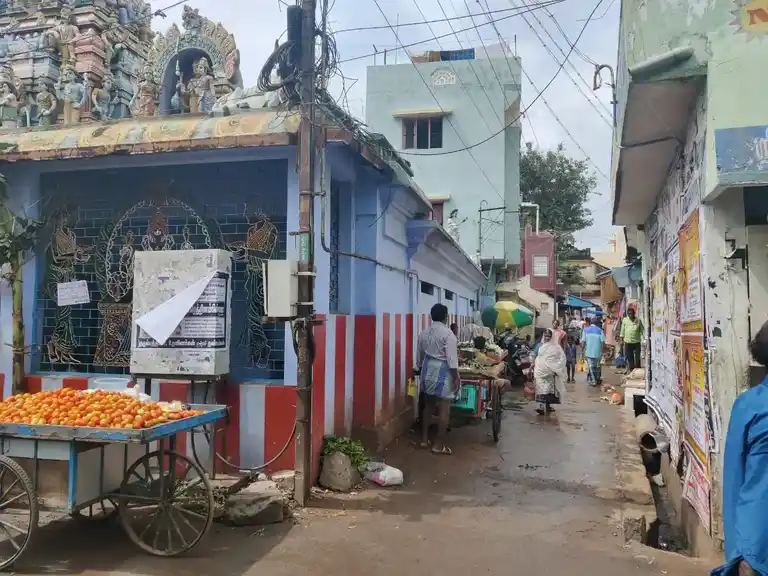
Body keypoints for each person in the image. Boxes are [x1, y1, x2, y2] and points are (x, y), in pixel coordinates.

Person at [713, 320, 768, 576]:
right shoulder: (751, 406)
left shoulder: (749, 406)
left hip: (754, 541)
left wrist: (736, 552)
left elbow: (734, 478)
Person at [417, 303, 460, 455]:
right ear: (445, 317)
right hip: (443, 370)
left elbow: (419, 358)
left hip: (427, 368)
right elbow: (452, 360)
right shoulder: (449, 335)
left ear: (431, 316)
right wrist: (456, 378)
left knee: (428, 406)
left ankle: (423, 440)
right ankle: (438, 445)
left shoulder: (423, 333)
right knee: (444, 409)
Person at [532, 329, 567, 415]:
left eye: (549, 336)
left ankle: (547, 406)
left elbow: (562, 358)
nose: (547, 338)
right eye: (546, 336)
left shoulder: (556, 347)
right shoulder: (539, 345)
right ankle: (540, 406)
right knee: (540, 388)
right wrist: (532, 364)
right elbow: (534, 354)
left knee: (548, 389)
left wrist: (557, 367)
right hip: (540, 370)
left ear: (552, 337)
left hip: (550, 371)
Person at [582, 317, 606, 386]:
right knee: (597, 366)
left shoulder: (585, 330)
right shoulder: (600, 330)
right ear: (597, 323)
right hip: (598, 351)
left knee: (591, 367)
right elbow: (602, 342)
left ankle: (593, 380)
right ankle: (598, 379)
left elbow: (583, 342)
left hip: (589, 351)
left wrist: (582, 351)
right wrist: (602, 351)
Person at [619, 307, 644, 372]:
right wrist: (621, 340)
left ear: (634, 313)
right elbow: (622, 330)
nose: (630, 315)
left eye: (631, 313)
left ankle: (638, 370)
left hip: (636, 342)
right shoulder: (625, 320)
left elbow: (642, 330)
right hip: (628, 342)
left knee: (637, 357)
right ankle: (632, 370)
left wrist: (644, 339)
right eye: (629, 314)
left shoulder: (638, 320)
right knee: (630, 357)